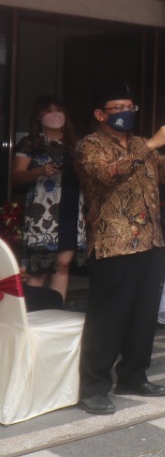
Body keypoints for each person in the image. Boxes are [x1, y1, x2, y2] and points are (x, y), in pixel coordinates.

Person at [76, 86, 165, 415]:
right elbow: (108, 174)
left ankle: (133, 376)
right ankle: (93, 386)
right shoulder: (89, 145)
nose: (126, 111)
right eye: (118, 107)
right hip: (112, 245)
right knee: (108, 319)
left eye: (130, 106)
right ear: (101, 114)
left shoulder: (141, 144)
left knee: (143, 317)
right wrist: (153, 144)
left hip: (150, 241)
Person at [11, 96, 85, 306]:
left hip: (71, 207)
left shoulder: (75, 143)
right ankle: (33, 316)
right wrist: (39, 171)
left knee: (63, 265)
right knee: (38, 267)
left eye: (58, 110)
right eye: (48, 111)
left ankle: (57, 312)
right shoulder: (31, 143)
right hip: (42, 211)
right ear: (38, 116)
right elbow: (16, 177)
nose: (54, 115)